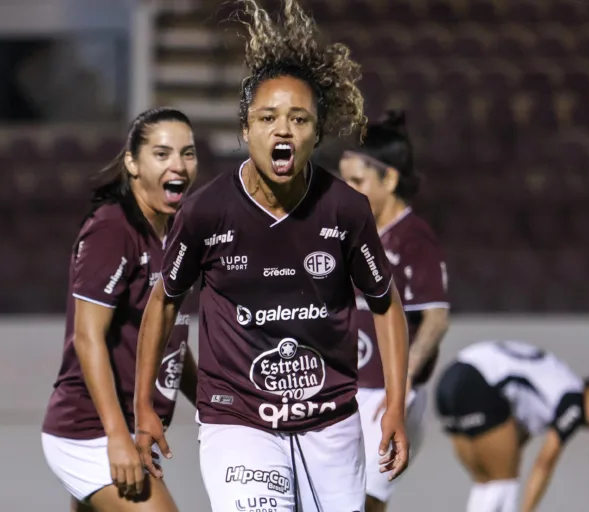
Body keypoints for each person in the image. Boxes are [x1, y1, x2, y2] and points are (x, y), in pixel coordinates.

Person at [133, 1, 411, 511]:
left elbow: (386, 303)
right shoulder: (204, 213)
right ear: (246, 130)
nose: (283, 130)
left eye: (298, 119)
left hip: (330, 420)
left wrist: (395, 403)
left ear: (317, 134)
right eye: (268, 118)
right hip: (236, 419)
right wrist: (145, 405)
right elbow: (163, 303)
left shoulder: (346, 209)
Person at [41, 107, 199, 512]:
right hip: (91, 430)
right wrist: (116, 436)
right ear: (132, 162)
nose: (177, 165)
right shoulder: (113, 228)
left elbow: (168, 337)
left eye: (188, 153)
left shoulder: (176, 232)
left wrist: (214, 402)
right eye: (161, 154)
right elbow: (87, 336)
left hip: (133, 430)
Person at [339, 111, 450, 512]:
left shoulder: (413, 237)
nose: (347, 190)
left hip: (388, 394)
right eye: (343, 180)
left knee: (364, 502)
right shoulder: (350, 233)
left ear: (389, 179)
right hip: (347, 389)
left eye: (358, 181)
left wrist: (399, 388)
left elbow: (436, 321)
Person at [435, 339, 589, 512]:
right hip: (477, 382)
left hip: (450, 380)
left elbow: (514, 442)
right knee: (504, 479)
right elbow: (544, 463)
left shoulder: (550, 394)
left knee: (486, 481)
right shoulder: (574, 401)